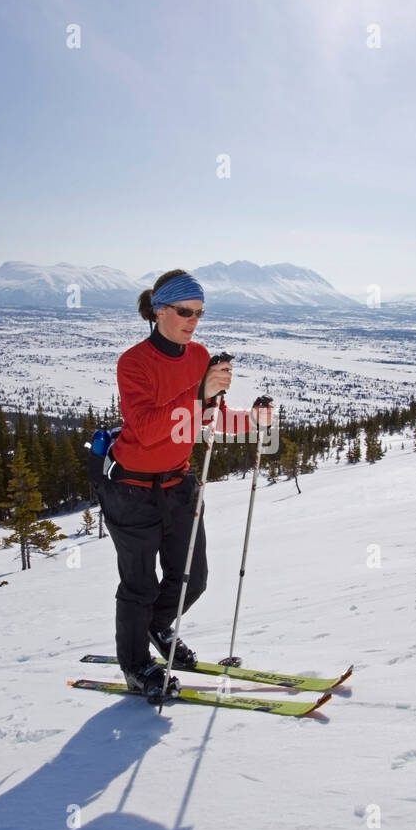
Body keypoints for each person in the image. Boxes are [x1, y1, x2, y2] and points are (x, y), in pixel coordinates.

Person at [94, 269, 272, 697]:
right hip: (131, 488)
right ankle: (137, 667)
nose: (193, 320)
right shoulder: (134, 362)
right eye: (185, 311)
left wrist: (250, 421)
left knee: (193, 578)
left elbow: (205, 420)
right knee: (139, 584)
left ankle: (157, 627)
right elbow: (149, 426)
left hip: (179, 483)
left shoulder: (199, 357)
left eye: (200, 313)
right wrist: (198, 395)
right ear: (159, 311)